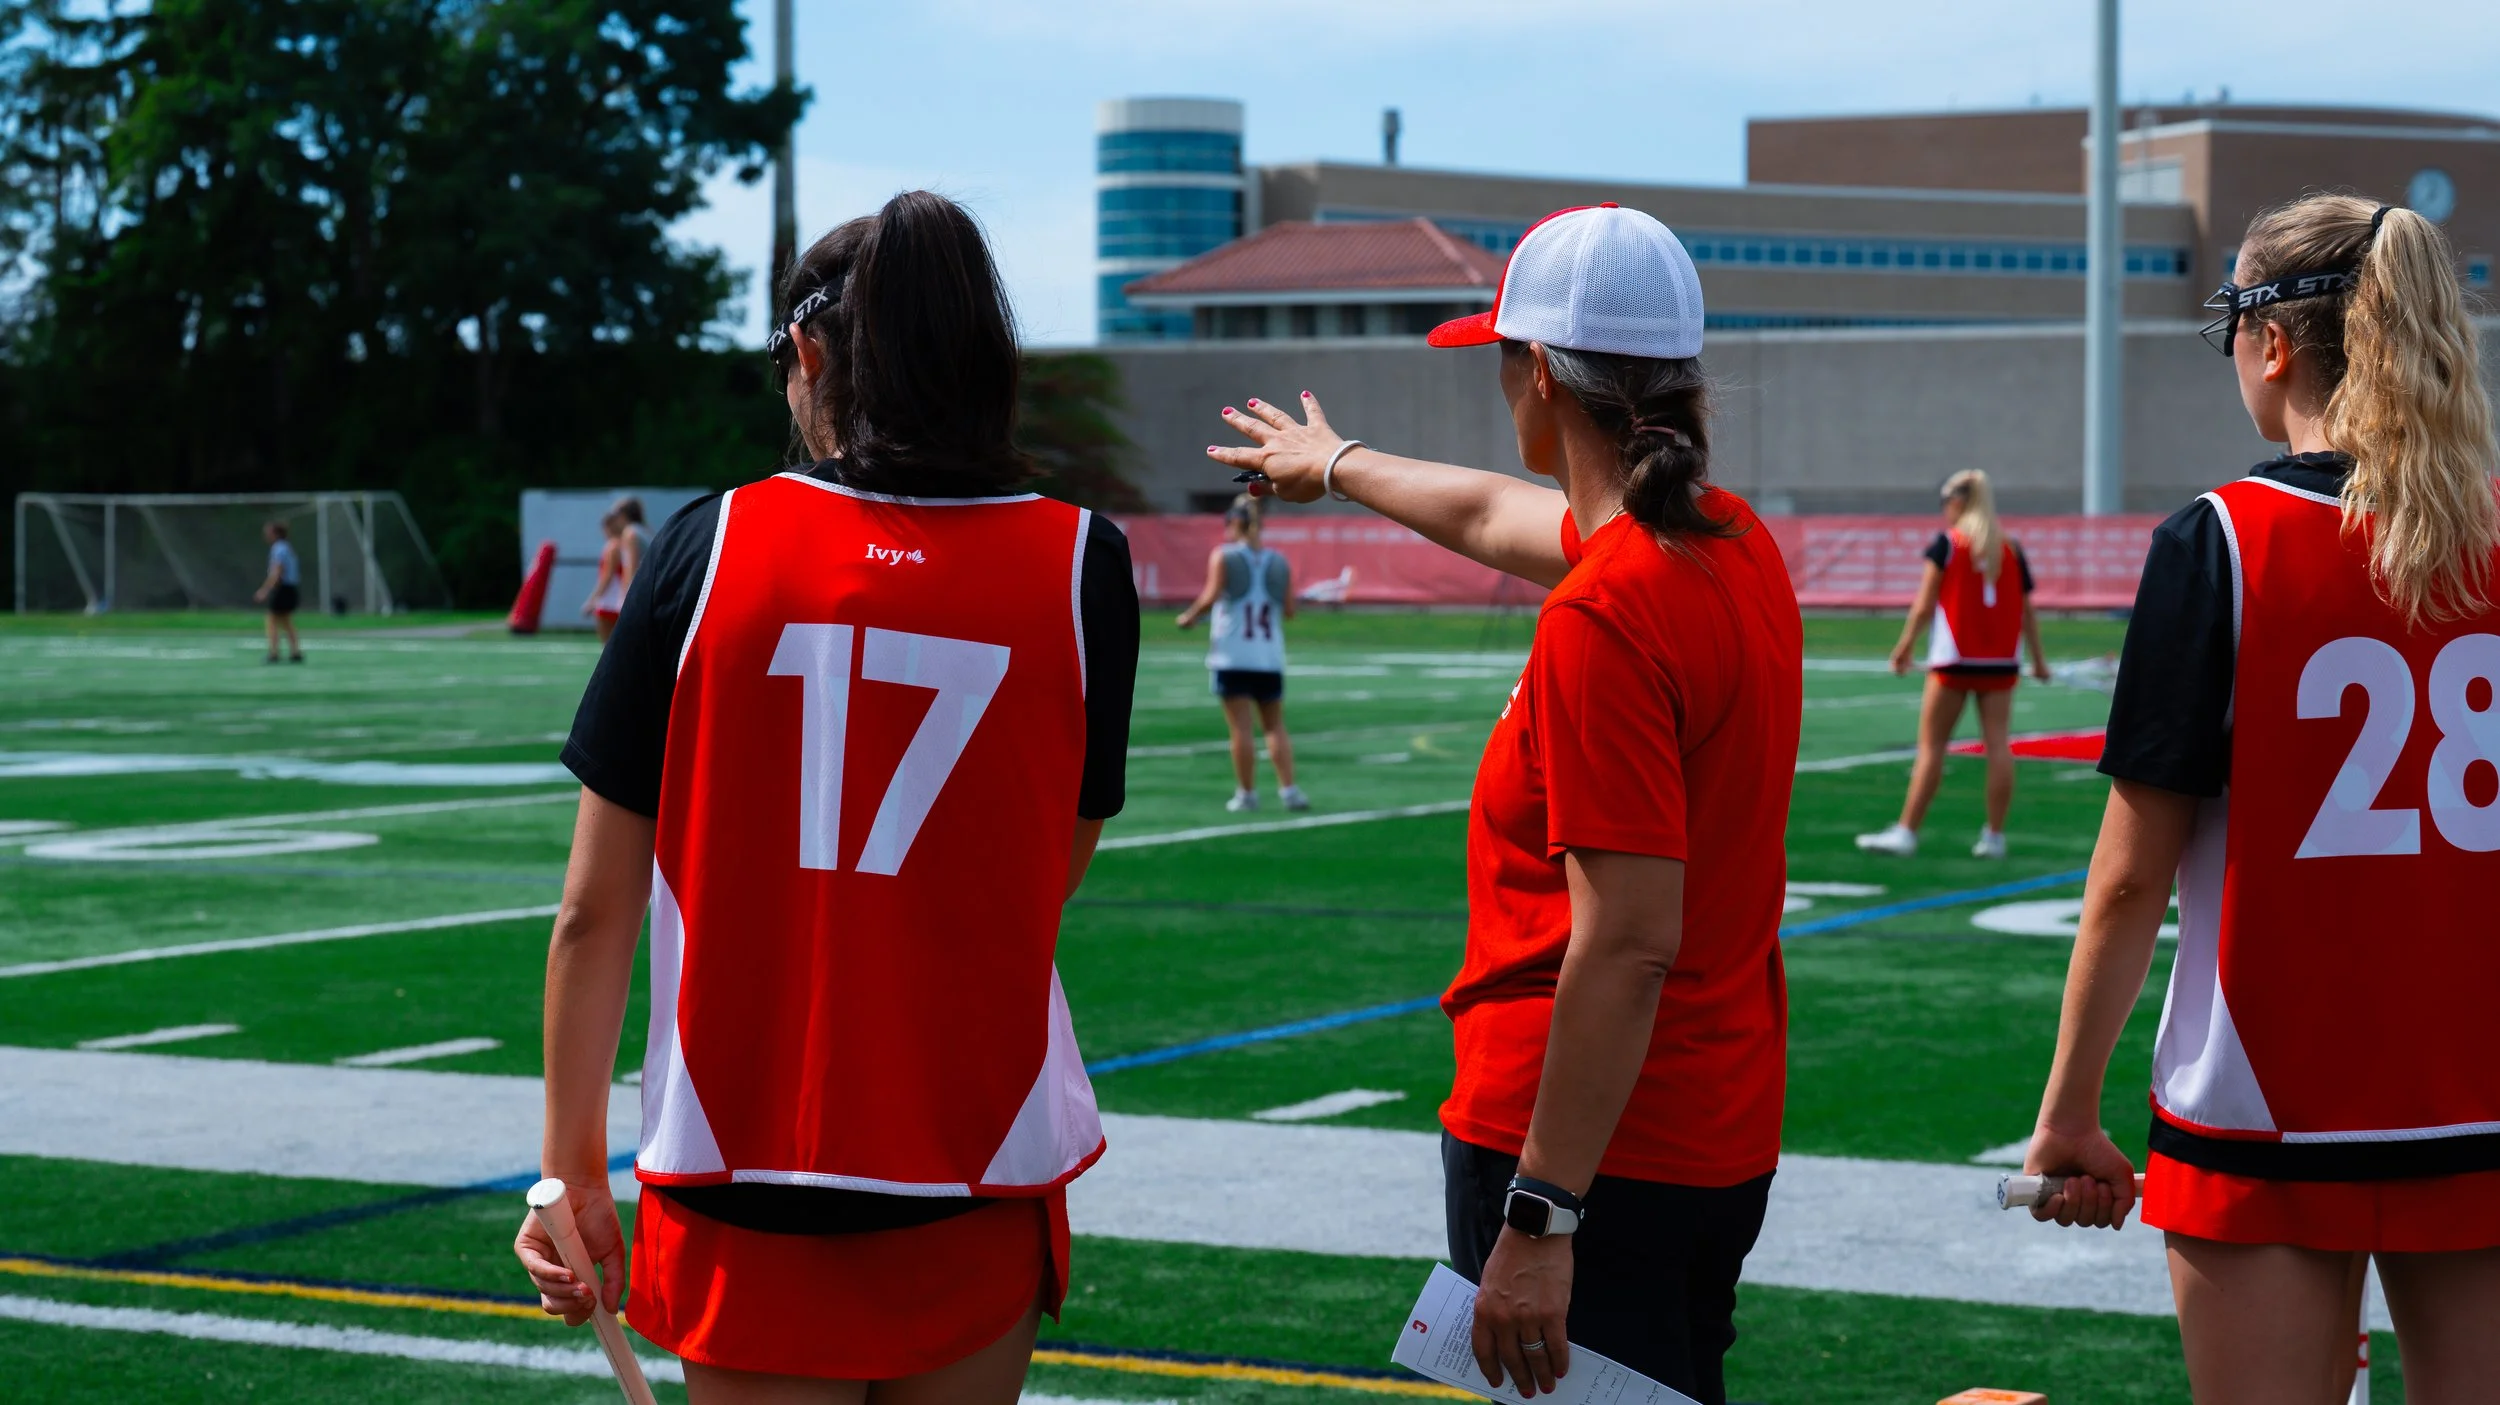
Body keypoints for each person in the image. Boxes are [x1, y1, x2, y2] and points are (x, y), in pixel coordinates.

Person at [515, 190, 1141, 1404]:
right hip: (976, 1148)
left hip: (738, 1146)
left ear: (806, 354)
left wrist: (565, 1172)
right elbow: (1050, 868)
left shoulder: (704, 547)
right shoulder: (1082, 562)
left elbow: (592, 913)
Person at [1211, 204, 1800, 1405]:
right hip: (1710, 1130)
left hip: (1585, 1150)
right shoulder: (1730, 544)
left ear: (1534, 372)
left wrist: (1539, 1215)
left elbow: (1626, 943)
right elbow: (1488, 515)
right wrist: (1336, 463)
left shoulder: (1605, 608)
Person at [2023, 194, 2500, 1402]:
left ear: (2270, 340)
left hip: (2266, 1105)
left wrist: (2069, 1108)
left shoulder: (2220, 542)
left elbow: (2131, 874)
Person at [1856, 468, 2050, 859]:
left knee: (1932, 746)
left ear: (1958, 503)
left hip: (1954, 660)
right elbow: (2028, 612)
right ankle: (1994, 837)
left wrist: (1904, 646)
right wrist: (2039, 660)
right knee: (1999, 745)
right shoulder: (2011, 547)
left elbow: (1925, 603)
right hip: (2000, 663)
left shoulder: (1949, 543)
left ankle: (1907, 831)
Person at [1175, 493, 1308, 812]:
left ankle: (1247, 795)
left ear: (1235, 522)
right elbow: (1289, 610)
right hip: (1268, 657)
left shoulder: (1224, 555)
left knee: (1241, 729)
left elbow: (1209, 597)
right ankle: (1289, 790)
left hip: (1232, 656)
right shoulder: (1279, 560)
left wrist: (1188, 618)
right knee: (1275, 726)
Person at [252, 520, 304, 664]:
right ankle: (295, 652)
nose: (266, 535)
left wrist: (265, 590)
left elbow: (277, 572)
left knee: (271, 620)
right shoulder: (286, 547)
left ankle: (274, 653)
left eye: (268, 532)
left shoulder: (279, 548)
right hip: (290, 587)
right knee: (286, 621)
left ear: (275, 533)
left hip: (282, 588)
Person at [581, 510, 629, 643]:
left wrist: (592, 600)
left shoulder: (612, 546)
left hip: (609, 601)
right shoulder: (625, 543)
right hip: (619, 600)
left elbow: (607, 576)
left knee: (607, 645)